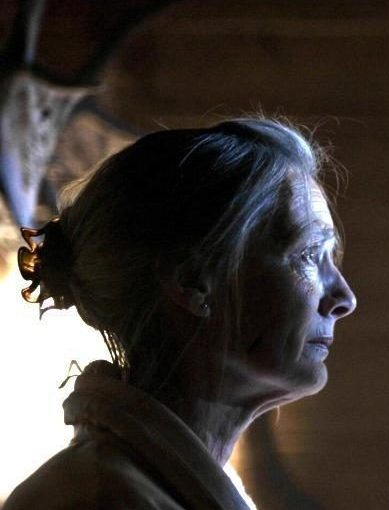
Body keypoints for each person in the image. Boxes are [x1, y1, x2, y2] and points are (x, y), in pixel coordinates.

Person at [4, 118, 356, 509]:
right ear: (192, 281)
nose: (344, 298)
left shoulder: (144, 486)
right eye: (308, 255)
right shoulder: (97, 499)